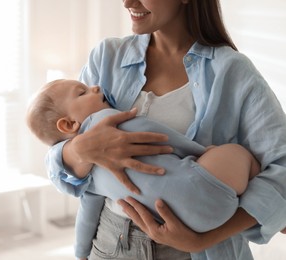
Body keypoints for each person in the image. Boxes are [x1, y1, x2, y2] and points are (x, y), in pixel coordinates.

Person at [46, 0, 286, 259]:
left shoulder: (232, 72)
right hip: (110, 244)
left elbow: (282, 173)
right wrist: (78, 150)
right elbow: (60, 149)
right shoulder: (107, 58)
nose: (127, 2)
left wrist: (202, 239)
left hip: (199, 250)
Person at [26, 79, 260, 259]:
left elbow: (87, 215)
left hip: (196, 223)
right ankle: (252, 172)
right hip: (208, 192)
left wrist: (81, 251)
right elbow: (160, 138)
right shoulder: (105, 120)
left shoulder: (88, 177)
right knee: (237, 152)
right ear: (68, 124)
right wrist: (201, 152)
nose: (96, 86)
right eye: (83, 92)